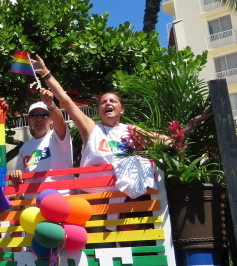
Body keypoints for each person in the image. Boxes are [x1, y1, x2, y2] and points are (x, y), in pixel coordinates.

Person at [31, 55, 171, 189]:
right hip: (94, 196)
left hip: (124, 196)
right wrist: (45, 74)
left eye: (113, 101)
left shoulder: (131, 131)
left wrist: (185, 133)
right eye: (103, 102)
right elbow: (66, 101)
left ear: (122, 110)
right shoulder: (91, 128)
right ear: (99, 110)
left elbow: (161, 140)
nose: (108, 103)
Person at [9, 89, 72, 185]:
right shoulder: (24, 148)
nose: (39, 119)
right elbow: (20, 182)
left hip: (59, 195)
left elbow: (60, 121)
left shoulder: (58, 136)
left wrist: (51, 105)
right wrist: (16, 176)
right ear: (29, 121)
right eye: (34, 115)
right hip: (32, 198)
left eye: (44, 115)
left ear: (51, 120)